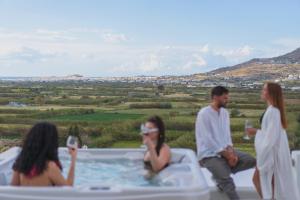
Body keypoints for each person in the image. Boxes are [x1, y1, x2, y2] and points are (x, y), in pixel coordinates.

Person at [196, 86, 256, 200]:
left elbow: (227, 136)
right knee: (228, 182)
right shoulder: (204, 114)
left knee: (250, 160)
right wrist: (227, 156)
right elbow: (208, 140)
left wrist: (231, 152)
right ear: (215, 97)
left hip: (225, 152)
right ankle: (221, 176)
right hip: (209, 155)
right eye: (224, 98)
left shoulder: (225, 113)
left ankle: (219, 175)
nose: (227, 100)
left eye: (227, 98)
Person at [247, 82, 300, 200]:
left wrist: (261, 154)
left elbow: (271, 138)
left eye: (264, 90)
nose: (262, 91)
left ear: (271, 93)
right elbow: (270, 133)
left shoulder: (273, 112)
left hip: (271, 154)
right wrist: (257, 131)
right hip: (271, 152)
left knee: (264, 183)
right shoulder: (272, 110)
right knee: (269, 184)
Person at [11, 122, 77, 186]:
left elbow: (12, 189)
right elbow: (68, 189)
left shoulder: (20, 164)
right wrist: (73, 159)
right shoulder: (49, 167)